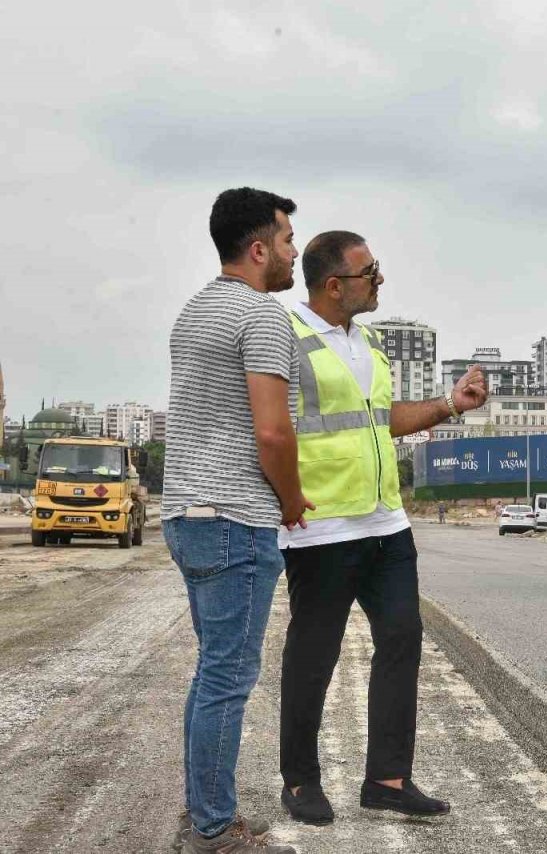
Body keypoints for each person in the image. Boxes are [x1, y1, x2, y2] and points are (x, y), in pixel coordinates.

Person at [277, 231, 488, 826]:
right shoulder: (287, 338)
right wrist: (286, 500)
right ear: (333, 283)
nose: (381, 280)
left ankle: (388, 780)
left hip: (385, 521)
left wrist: (450, 404)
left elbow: (382, 419)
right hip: (320, 527)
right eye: (371, 271)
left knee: (401, 639)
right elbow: (269, 428)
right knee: (313, 656)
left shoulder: (367, 339)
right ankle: (300, 781)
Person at [163, 188, 308, 854]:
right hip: (235, 518)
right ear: (257, 248)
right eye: (285, 240)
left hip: (185, 515)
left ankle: (203, 811)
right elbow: (273, 435)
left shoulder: (194, 311)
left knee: (211, 672)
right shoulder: (262, 315)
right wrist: (292, 501)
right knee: (227, 677)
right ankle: (216, 831)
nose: (293, 251)